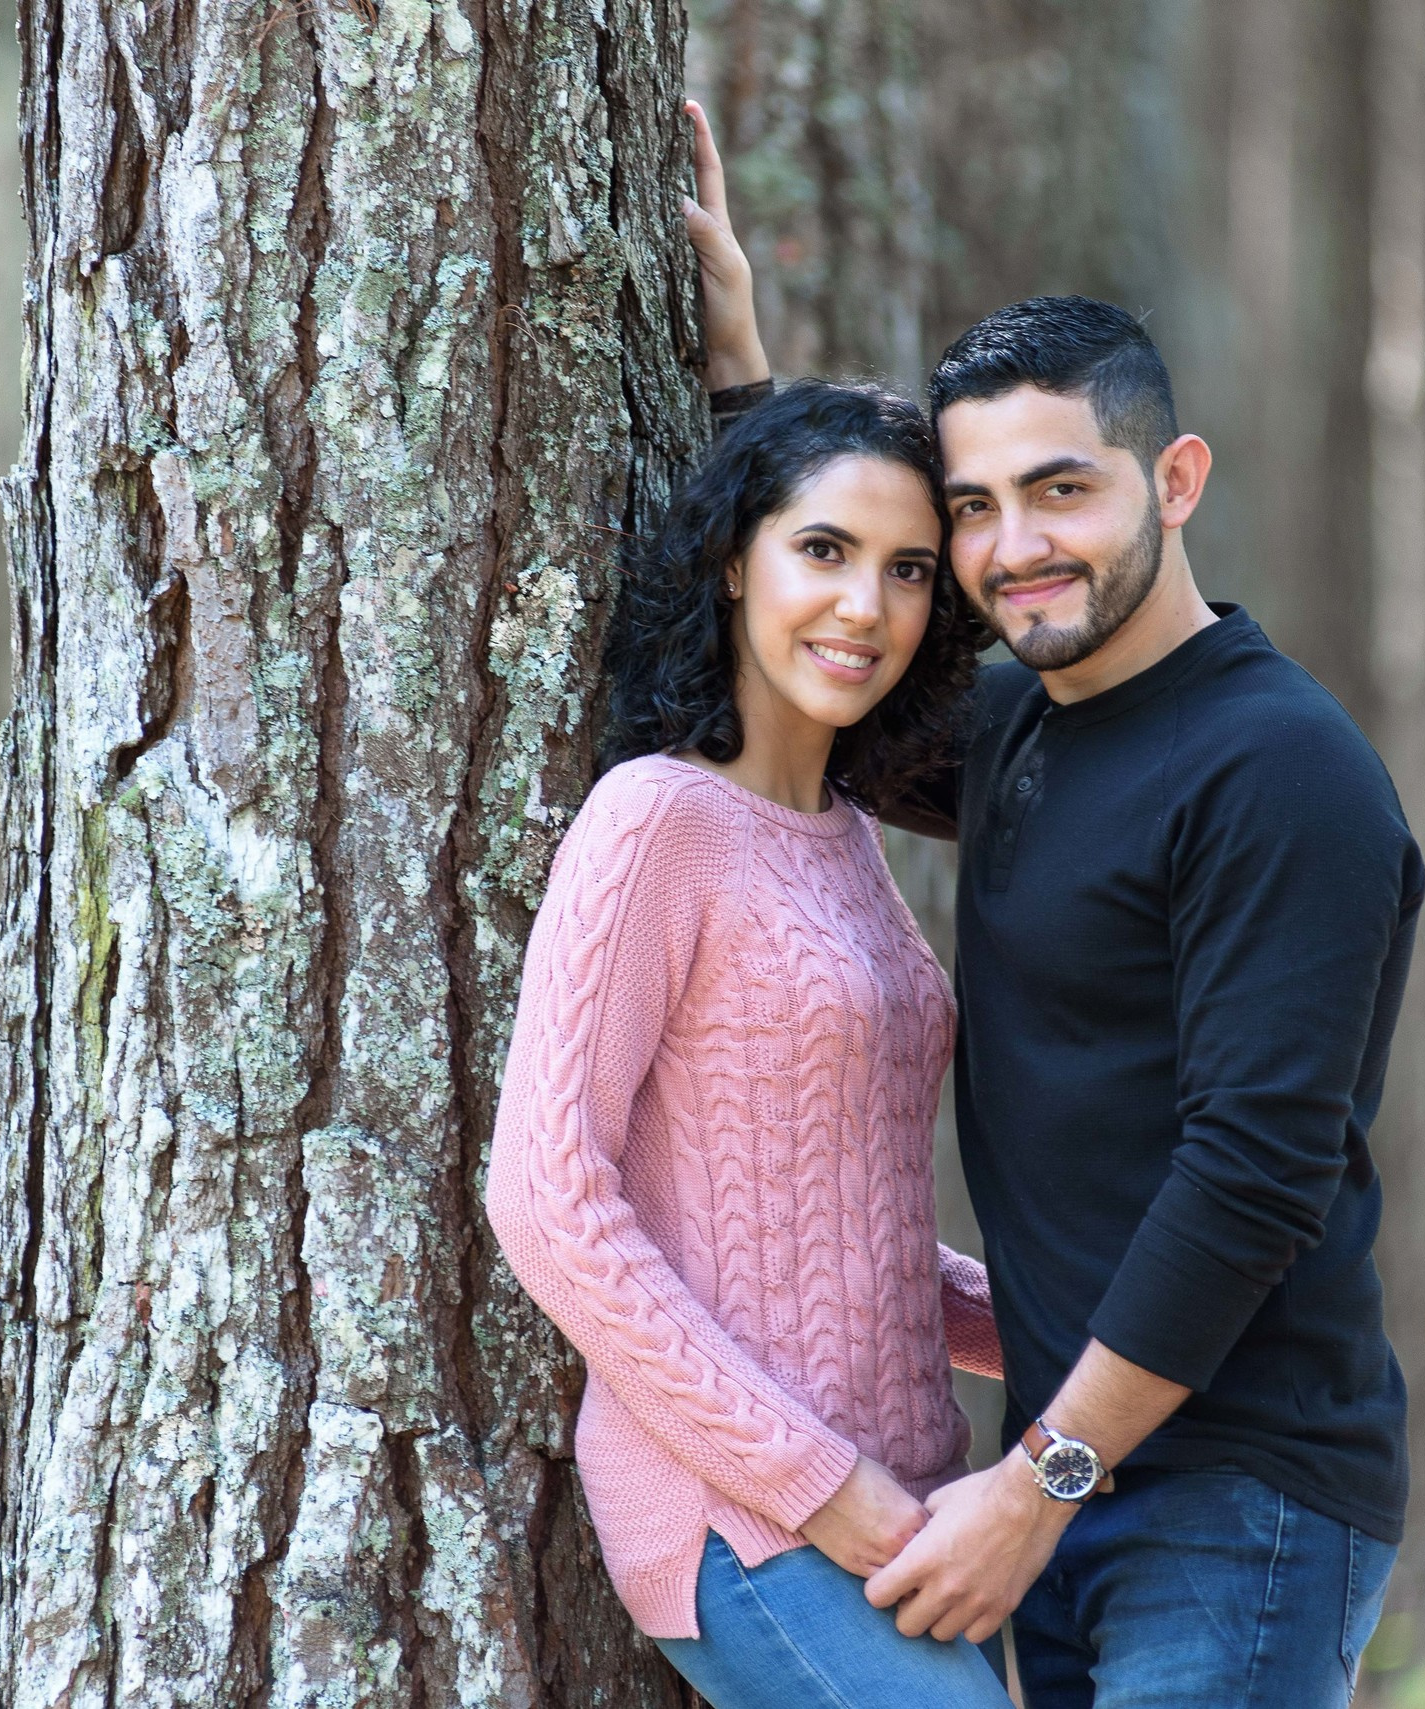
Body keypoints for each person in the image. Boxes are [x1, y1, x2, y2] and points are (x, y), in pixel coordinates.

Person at [689, 113, 1425, 1709]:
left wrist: (1037, 1483)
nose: (1012, 549)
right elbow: (845, 688)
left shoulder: (1283, 772)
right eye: (972, 506)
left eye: (1061, 491)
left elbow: (1254, 1174)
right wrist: (739, 375)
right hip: (1076, 1469)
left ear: (1175, 477)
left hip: (1240, 1495)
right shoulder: (1027, 720)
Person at [483, 112, 1014, 1709]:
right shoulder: (656, 821)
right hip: (748, 1522)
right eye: (824, 552)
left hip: (912, 1506)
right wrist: (809, 1479)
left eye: (911, 571)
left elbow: (840, 1236)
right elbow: (547, 1197)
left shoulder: (847, 837)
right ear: (736, 564)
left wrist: (1094, 1364)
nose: (865, 603)